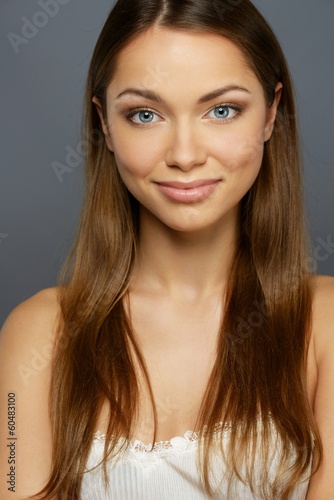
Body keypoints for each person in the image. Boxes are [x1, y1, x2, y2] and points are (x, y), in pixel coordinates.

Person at [1, 0, 334, 498]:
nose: (184, 155)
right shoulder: (37, 334)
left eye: (222, 110)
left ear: (270, 115)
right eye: (145, 114)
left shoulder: (326, 323)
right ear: (105, 125)